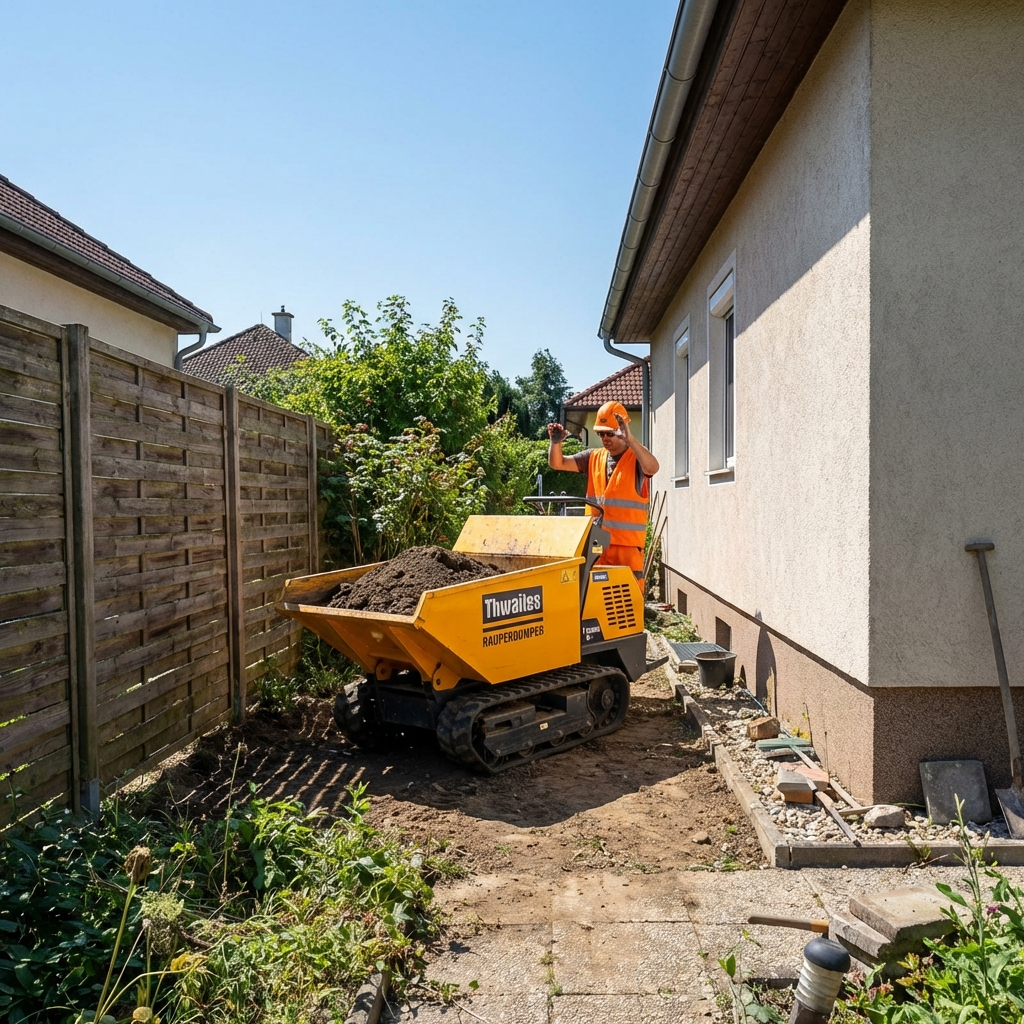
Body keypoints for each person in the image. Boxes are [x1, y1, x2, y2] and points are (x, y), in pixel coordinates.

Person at [547, 401, 659, 582]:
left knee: (626, 605)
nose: (605, 438)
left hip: (627, 550)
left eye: (610, 433)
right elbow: (557, 463)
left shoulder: (636, 459)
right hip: (597, 545)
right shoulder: (592, 457)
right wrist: (555, 442)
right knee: (596, 600)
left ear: (622, 431)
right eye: (601, 433)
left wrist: (630, 439)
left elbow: (653, 468)